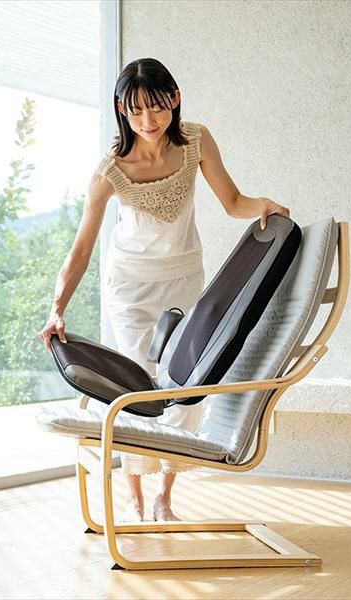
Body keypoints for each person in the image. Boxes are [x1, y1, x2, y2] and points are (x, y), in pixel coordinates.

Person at [38, 57, 290, 522]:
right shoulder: (111, 170)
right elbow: (81, 250)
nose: (147, 120)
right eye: (135, 111)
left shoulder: (196, 140)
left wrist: (264, 205)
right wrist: (57, 309)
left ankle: (165, 496)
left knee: (187, 383)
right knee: (136, 384)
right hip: (129, 285)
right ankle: (134, 493)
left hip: (184, 277)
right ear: (121, 110)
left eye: (156, 107)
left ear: (174, 98)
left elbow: (233, 202)